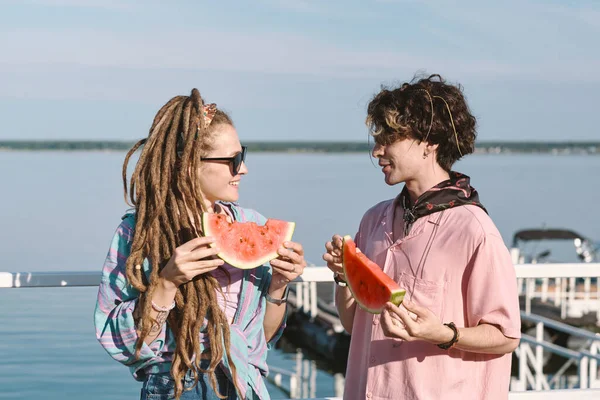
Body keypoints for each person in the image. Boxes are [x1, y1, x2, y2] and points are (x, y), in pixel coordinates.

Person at [94, 88, 307, 400]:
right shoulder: (139, 233)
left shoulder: (251, 221)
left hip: (241, 382)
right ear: (189, 163)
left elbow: (263, 336)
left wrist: (279, 284)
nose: (243, 169)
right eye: (234, 160)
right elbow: (123, 343)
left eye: (242, 155)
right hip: (177, 385)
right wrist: (167, 282)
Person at [323, 74, 521, 399]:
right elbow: (352, 324)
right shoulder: (373, 219)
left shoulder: (474, 230)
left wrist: (442, 333)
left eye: (388, 138)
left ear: (429, 141)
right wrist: (345, 277)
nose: (376, 151)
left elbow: (506, 335)